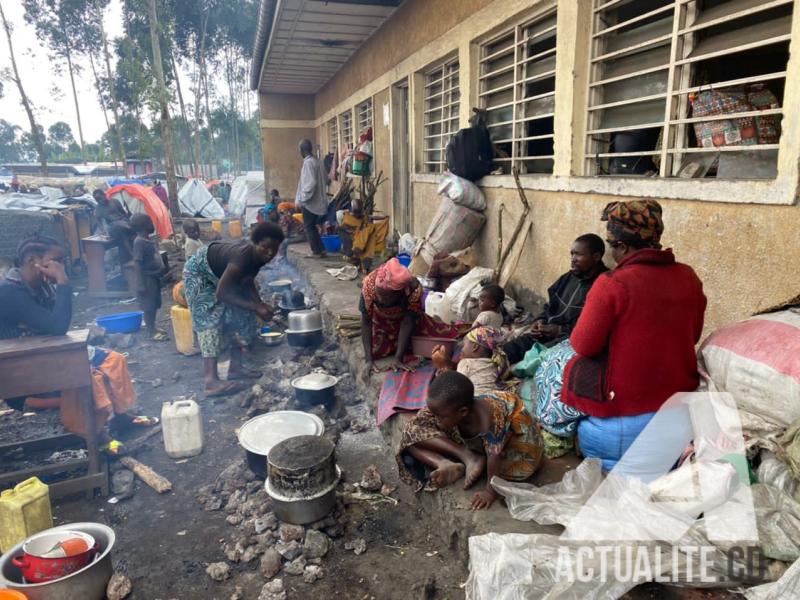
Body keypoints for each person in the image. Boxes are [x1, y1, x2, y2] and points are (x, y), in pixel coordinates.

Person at [562, 200, 706, 479]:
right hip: (678, 419)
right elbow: (695, 334)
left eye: (611, 244)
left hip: (620, 428)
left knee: (561, 366)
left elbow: (583, 344)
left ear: (622, 247)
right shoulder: (688, 276)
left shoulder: (612, 283)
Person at [0, 236, 155, 447]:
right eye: (57, 261)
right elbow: (57, 326)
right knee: (88, 376)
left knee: (114, 359)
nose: (62, 268)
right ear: (32, 261)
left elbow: (57, 324)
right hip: (21, 372)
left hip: (45, 357)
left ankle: (120, 417)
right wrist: (63, 283)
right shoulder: (10, 292)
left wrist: (59, 286)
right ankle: (97, 434)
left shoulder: (41, 288)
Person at [397, 371, 543, 510]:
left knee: (420, 437)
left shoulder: (489, 423)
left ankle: (472, 458)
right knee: (410, 436)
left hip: (517, 454)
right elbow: (422, 422)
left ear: (463, 412)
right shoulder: (454, 409)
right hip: (479, 441)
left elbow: (495, 456)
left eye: (439, 416)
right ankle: (456, 460)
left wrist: (490, 492)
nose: (435, 419)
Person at [183, 222, 284, 397]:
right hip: (199, 275)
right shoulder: (242, 257)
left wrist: (259, 304)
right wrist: (255, 306)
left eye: (273, 249)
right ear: (255, 243)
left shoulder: (258, 258)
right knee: (210, 319)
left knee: (242, 316)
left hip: (219, 277)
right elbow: (222, 293)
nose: (269, 253)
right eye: (265, 248)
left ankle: (235, 369)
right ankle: (211, 381)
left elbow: (246, 280)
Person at [502, 234, 608, 364]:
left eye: (579, 255)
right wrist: (540, 320)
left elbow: (594, 329)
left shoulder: (604, 286)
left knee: (534, 364)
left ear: (596, 257)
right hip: (545, 335)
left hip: (569, 342)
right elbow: (550, 306)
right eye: (572, 254)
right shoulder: (569, 278)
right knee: (505, 353)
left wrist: (560, 330)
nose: (573, 259)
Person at [360, 258, 462, 374]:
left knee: (438, 338)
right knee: (376, 350)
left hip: (407, 320)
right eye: (380, 294)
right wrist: (369, 360)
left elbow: (408, 322)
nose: (381, 299)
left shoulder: (414, 289)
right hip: (382, 322)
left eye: (387, 296)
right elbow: (366, 322)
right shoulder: (369, 285)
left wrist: (398, 359)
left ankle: (401, 348)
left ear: (400, 292)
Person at [431, 326, 510, 395]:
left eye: (464, 345)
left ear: (475, 347)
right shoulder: (496, 363)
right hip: (492, 400)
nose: (461, 349)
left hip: (474, 401)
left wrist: (443, 370)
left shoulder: (466, 363)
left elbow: (453, 387)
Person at [131, 214, 168, 341]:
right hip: (147, 279)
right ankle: (150, 330)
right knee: (149, 306)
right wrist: (140, 283)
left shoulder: (147, 240)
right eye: (149, 222)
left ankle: (153, 326)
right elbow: (137, 263)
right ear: (143, 226)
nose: (152, 224)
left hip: (154, 278)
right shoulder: (139, 242)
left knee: (155, 303)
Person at [295, 139, 329, 258]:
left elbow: (310, 183)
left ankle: (316, 251)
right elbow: (326, 179)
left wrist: (302, 199)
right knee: (312, 227)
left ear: (302, 150)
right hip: (318, 201)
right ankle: (321, 250)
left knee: (309, 227)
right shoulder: (318, 162)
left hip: (310, 202)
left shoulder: (308, 163)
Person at [93, 188, 136, 264]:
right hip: (113, 227)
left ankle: (136, 251)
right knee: (119, 229)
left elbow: (123, 213)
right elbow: (98, 221)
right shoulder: (98, 209)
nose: (99, 201)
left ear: (104, 195)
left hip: (123, 222)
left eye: (100, 198)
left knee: (133, 228)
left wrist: (126, 220)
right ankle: (131, 254)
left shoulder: (115, 201)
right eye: (97, 199)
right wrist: (103, 231)